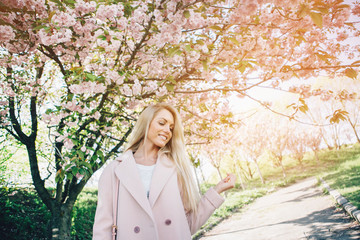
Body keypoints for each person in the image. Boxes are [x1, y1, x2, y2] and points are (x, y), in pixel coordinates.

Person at [93, 102, 236, 240]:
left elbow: (187, 225)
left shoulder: (175, 169)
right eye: (162, 123)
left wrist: (217, 191)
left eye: (171, 127)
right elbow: (102, 228)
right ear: (146, 123)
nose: (167, 130)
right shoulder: (114, 170)